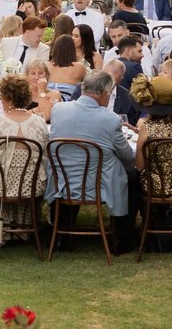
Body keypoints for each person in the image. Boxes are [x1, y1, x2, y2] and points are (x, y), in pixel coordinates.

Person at [47, 68, 138, 241]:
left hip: (64, 181)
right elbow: (126, 155)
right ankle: (122, 237)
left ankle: (61, 235)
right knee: (134, 176)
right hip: (98, 183)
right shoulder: (110, 119)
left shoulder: (58, 110)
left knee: (74, 169)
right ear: (104, 93)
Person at [44, 28, 88, 99]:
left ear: (55, 49)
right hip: (67, 104)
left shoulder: (46, 65)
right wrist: (81, 60)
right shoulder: (79, 67)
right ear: (72, 49)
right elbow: (89, 80)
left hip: (48, 101)